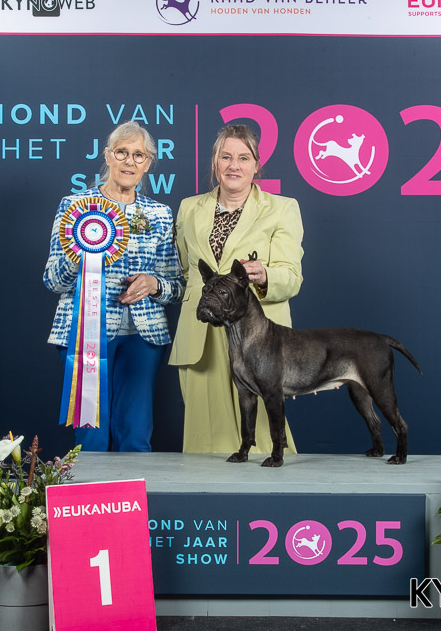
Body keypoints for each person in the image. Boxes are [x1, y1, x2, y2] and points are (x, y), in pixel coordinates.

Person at [44, 121, 184, 452]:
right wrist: (80, 254)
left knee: (136, 436)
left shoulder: (160, 214)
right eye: (122, 152)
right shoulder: (74, 206)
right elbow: (53, 280)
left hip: (144, 336)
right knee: (90, 436)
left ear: (148, 163)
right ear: (107, 156)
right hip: (85, 334)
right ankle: (91, 488)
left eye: (139, 155)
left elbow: (177, 285)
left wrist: (154, 284)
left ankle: (134, 489)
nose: (129, 161)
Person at [169, 124, 304, 455]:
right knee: (204, 439)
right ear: (214, 162)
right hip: (201, 334)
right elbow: (184, 271)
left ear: (257, 165)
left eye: (243, 158)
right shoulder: (188, 208)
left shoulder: (282, 208)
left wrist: (265, 275)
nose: (234, 166)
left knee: (262, 440)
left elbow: (291, 276)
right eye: (225, 157)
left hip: (256, 336)